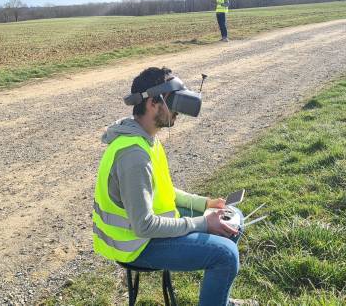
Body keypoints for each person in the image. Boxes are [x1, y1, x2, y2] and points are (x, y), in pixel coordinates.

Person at [92, 66, 250, 306]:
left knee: (231, 216)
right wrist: (202, 222)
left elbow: (162, 191)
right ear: (153, 102)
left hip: (146, 232)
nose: (178, 112)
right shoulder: (133, 155)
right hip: (135, 246)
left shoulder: (146, 138)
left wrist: (205, 204)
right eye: (174, 102)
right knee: (226, 255)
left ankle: (218, 300)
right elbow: (144, 226)